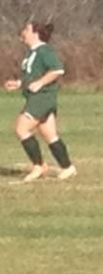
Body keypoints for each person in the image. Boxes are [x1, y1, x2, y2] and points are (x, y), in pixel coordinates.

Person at [3, 21, 76, 182]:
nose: (23, 32)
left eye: (27, 29)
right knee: (50, 135)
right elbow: (33, 76)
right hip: (39, 97)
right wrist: (19, 83)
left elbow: (58, 69)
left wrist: (41, 83)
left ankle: (39, 166)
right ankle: (67, 167)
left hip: (42, 98)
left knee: (21, 128)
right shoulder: (32, 52)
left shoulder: (44, 51)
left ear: (36, 33)